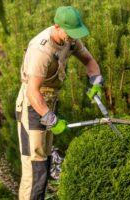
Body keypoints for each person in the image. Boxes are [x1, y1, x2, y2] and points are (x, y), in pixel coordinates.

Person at [15, 6, 103, 200]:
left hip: (49, 101)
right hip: (33, 105)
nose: (73, 37)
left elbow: (89, 61)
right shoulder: (41, 49)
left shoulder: (69, 40)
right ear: (57, 26)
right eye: (70, 33)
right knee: (34, 167)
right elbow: (32, 91)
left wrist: (95, 81)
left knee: (44, 163)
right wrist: (51, 119)